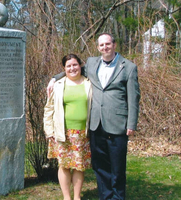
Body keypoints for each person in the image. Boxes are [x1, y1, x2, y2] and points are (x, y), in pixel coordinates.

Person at [47, 33, 140, 200]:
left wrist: (131, 123)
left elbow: (134, 98)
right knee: (100, 166)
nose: (105, 47)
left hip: (117, 123)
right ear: (98, 47)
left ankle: (118, 197)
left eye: (108, 44)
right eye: (101, 45)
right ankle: (105, 196)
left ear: (114, 44)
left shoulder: (128, 67)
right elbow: (73, 70)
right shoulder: (92, 63)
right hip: (95, 125)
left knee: (117, 167)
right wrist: (55, 78)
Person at [44, 54, 92, 200]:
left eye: (75, 65)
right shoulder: (58, 85)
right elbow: (49, 109)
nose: (72, 68)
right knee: (64, 165)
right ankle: (67, 197)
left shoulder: (89, 83)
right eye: (68, 66)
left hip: (83, 133)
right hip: (62, 132)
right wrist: (49, 130)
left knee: (79, 165)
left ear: (80, 66)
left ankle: (77, 196)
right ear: (64, 68)